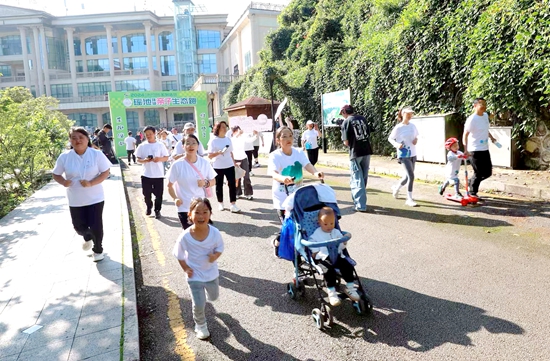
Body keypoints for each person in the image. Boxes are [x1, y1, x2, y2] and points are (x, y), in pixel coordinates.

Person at [52, 127, 111, 262]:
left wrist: (91, 183)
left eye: (81, 137)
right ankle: (88, 236)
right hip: (75, 199)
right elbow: (56, 174)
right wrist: (63, 182)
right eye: (74, 138)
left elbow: (105, 172)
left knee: (96, 224)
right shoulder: (65, 157)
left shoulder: (96, 154)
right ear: (70, 140)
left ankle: (98, 250)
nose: (77, 140)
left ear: (87, 139)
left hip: (95, 197)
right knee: (79, 227)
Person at [173, 197, 224, 340]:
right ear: (189, 214)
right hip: (194, 276)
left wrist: (215, 256)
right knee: (199, 303)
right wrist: (186, 269)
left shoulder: (215, 233)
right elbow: (179, 254)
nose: (201, 216)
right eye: (197, 212)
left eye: (205, 212)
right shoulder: (185, 237)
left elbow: (220, 247)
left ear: (210, 214)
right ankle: (200, 325)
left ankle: (207, 295)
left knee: (213, 297)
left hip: (211, 274)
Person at [268, 126, 324, 257]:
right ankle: (279, 243)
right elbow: (273, 173)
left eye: (290, 136)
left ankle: (300, 249)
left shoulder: (298, 152)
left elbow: (307, 165)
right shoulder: (275, 156)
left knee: (300, 226)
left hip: (299, 198)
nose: (288, 139)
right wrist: (283, 178)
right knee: (290, 227)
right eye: (284, 136)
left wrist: (316, 173)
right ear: (278, 140)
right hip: (283, 198)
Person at [309, 207, 360, 306]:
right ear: (319, 222)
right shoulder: (317, 233)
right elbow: (311, 242)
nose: (329, 226)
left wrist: (343, 242)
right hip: (324, 257)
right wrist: (315, 251)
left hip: (337, 255)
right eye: (325, 224)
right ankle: (331, 292)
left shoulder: (336, 231)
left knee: (348, 266)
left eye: (332, 223)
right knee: (328, 271)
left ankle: (350, 288)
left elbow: (341, 244)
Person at [167, 134, 217, 229]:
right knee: (189, 234)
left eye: (194, 143)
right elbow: (169, 186)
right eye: (188, 143)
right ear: (183, 146)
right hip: (184, 207)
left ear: (198, 146)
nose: (191, 146)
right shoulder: (177, 165)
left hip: (201, 207)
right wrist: (175, 198)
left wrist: (205, 183)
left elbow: (213, 181)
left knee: (202, 233)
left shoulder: (204, 163)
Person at [462, 98, 498, 198]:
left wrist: (491, 137)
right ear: (475, 106)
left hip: (484, 149)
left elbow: (485, 129)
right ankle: (473, 193)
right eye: (481, 104)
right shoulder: (472, 119)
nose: (484, 106)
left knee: (488, 172)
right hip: (474, 150)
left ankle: (471, 182)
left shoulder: (485, 116)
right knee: (478, 173)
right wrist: (465, 149)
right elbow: (465, 134)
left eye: (485, 104)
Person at [340, 104, 374, 212]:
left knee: (356, 179)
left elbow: (346, 142)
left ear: (344, 112)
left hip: (355, 152)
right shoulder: (362, 118)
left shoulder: (346, 122)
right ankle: (360, 200)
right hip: (366, 150)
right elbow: (368, 133)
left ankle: (360, 204)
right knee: (363, 177)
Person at [135, 126, 170, 219]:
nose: (149, 136)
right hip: (146, 174)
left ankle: (157, 210)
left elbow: (166, 157)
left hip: (158, 175)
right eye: (147, 134)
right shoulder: (142, 146)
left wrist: (159, 159)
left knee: (159, 195)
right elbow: (138, 159)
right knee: (146, 194)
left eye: (150, 134)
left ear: (155, 134)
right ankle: (149, 206)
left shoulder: (160, 145)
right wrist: (145, 160)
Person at [388, 106, 419, 207]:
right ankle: (409, 199)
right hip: (403, 154)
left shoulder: (413, 126)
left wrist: (416, 140)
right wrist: (397, 145)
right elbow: (390, 139)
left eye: (411, 114)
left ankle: (396, 188)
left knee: (407, 177)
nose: (410, 116)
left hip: (413, 154)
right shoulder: (398, 127)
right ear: (403, 114)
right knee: (411, 176)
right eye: (408, 114)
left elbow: (416, 136)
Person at [207, 121, 240, 213]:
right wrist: (218, 153)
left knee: (232, 185)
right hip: (218, 166)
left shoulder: (228, 139)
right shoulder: (213, 140)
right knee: (219, 185)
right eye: (222, 127)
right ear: (217, 128)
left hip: (229, 165)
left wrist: (234, 163)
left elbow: (230, 152)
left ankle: (233, 204)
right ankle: (220, 203)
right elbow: (209, 155)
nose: (225, 129)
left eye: (226, 127)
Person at [230, 126, 253, 200]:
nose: (239, 131)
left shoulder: (242, 137)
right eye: (236, 130)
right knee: (237, 177)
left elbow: (249, 140)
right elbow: (233, 140)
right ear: (233, 131)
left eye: (239, 130)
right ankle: (237, 192)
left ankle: (248, 193)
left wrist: (256, 135)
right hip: (235, 159)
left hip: (244, 158)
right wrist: (237, 134)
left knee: (246, 176)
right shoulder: (231, 138)